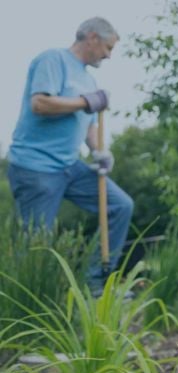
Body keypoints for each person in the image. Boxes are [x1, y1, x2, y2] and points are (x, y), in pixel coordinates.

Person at [7, 17, 133, 295]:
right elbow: (40, 103)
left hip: (69, 166)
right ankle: (26, 305)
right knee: (35, 244)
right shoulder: (53, 60)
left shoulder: (88, 78)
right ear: (92, 37)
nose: (109, 56)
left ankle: (95, 283)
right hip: (36, 167)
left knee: (121, 206)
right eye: (108, 48)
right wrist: (86, 101)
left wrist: (99, 151)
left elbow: (87, 123)